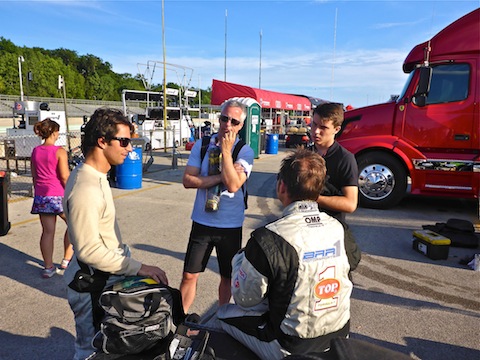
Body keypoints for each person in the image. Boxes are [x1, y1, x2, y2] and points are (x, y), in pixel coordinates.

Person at [217, 148, 353, 359]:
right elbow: (351, 263)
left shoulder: (268, 238)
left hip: (290, 345)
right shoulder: (339, 229)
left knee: (222, 313)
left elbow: (244, 298)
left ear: (281, 186)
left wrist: (240, 260)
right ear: (319, 192)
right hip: (339, 336)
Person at [63, 108, 169, 360]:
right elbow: (88, 250)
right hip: (92, 284)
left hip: (105, 278)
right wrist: (138, 266)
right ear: (102, 141)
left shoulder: (96, 176)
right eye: (123, 141)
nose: (129, 148)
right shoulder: (85, 187)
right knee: (92, 351)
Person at [180, 99, 254, 313]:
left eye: (234, 121)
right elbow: (187, 180)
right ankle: (181, 318)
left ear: (241, 126)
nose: (227, 125)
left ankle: (221, 318)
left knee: (227, 277)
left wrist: (227, 152)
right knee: (189, 275)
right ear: (218, 119)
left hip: (229, 225)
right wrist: (217, 179)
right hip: (202, 221)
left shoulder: (244, 151)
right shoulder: (203, 145)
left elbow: (232, 185)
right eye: (224, 118)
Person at [308, 102, 361, 273]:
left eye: (323, 127)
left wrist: (313, 197)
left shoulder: (345, 159)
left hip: (330, 235)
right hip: (303, 231)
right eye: (314, 124)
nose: (316, 131)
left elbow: (350, 204)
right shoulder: (305, 154)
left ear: (336, 129)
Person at [30, 118, 73, 278]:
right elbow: (64, 176)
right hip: (58, 195)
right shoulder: (59, 151)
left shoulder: (35, 151)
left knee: (47, 232)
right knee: (73, 225)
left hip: (42, 196)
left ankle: (48, 267)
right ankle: (66, 259)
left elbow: (34, 176)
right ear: (54, 132)